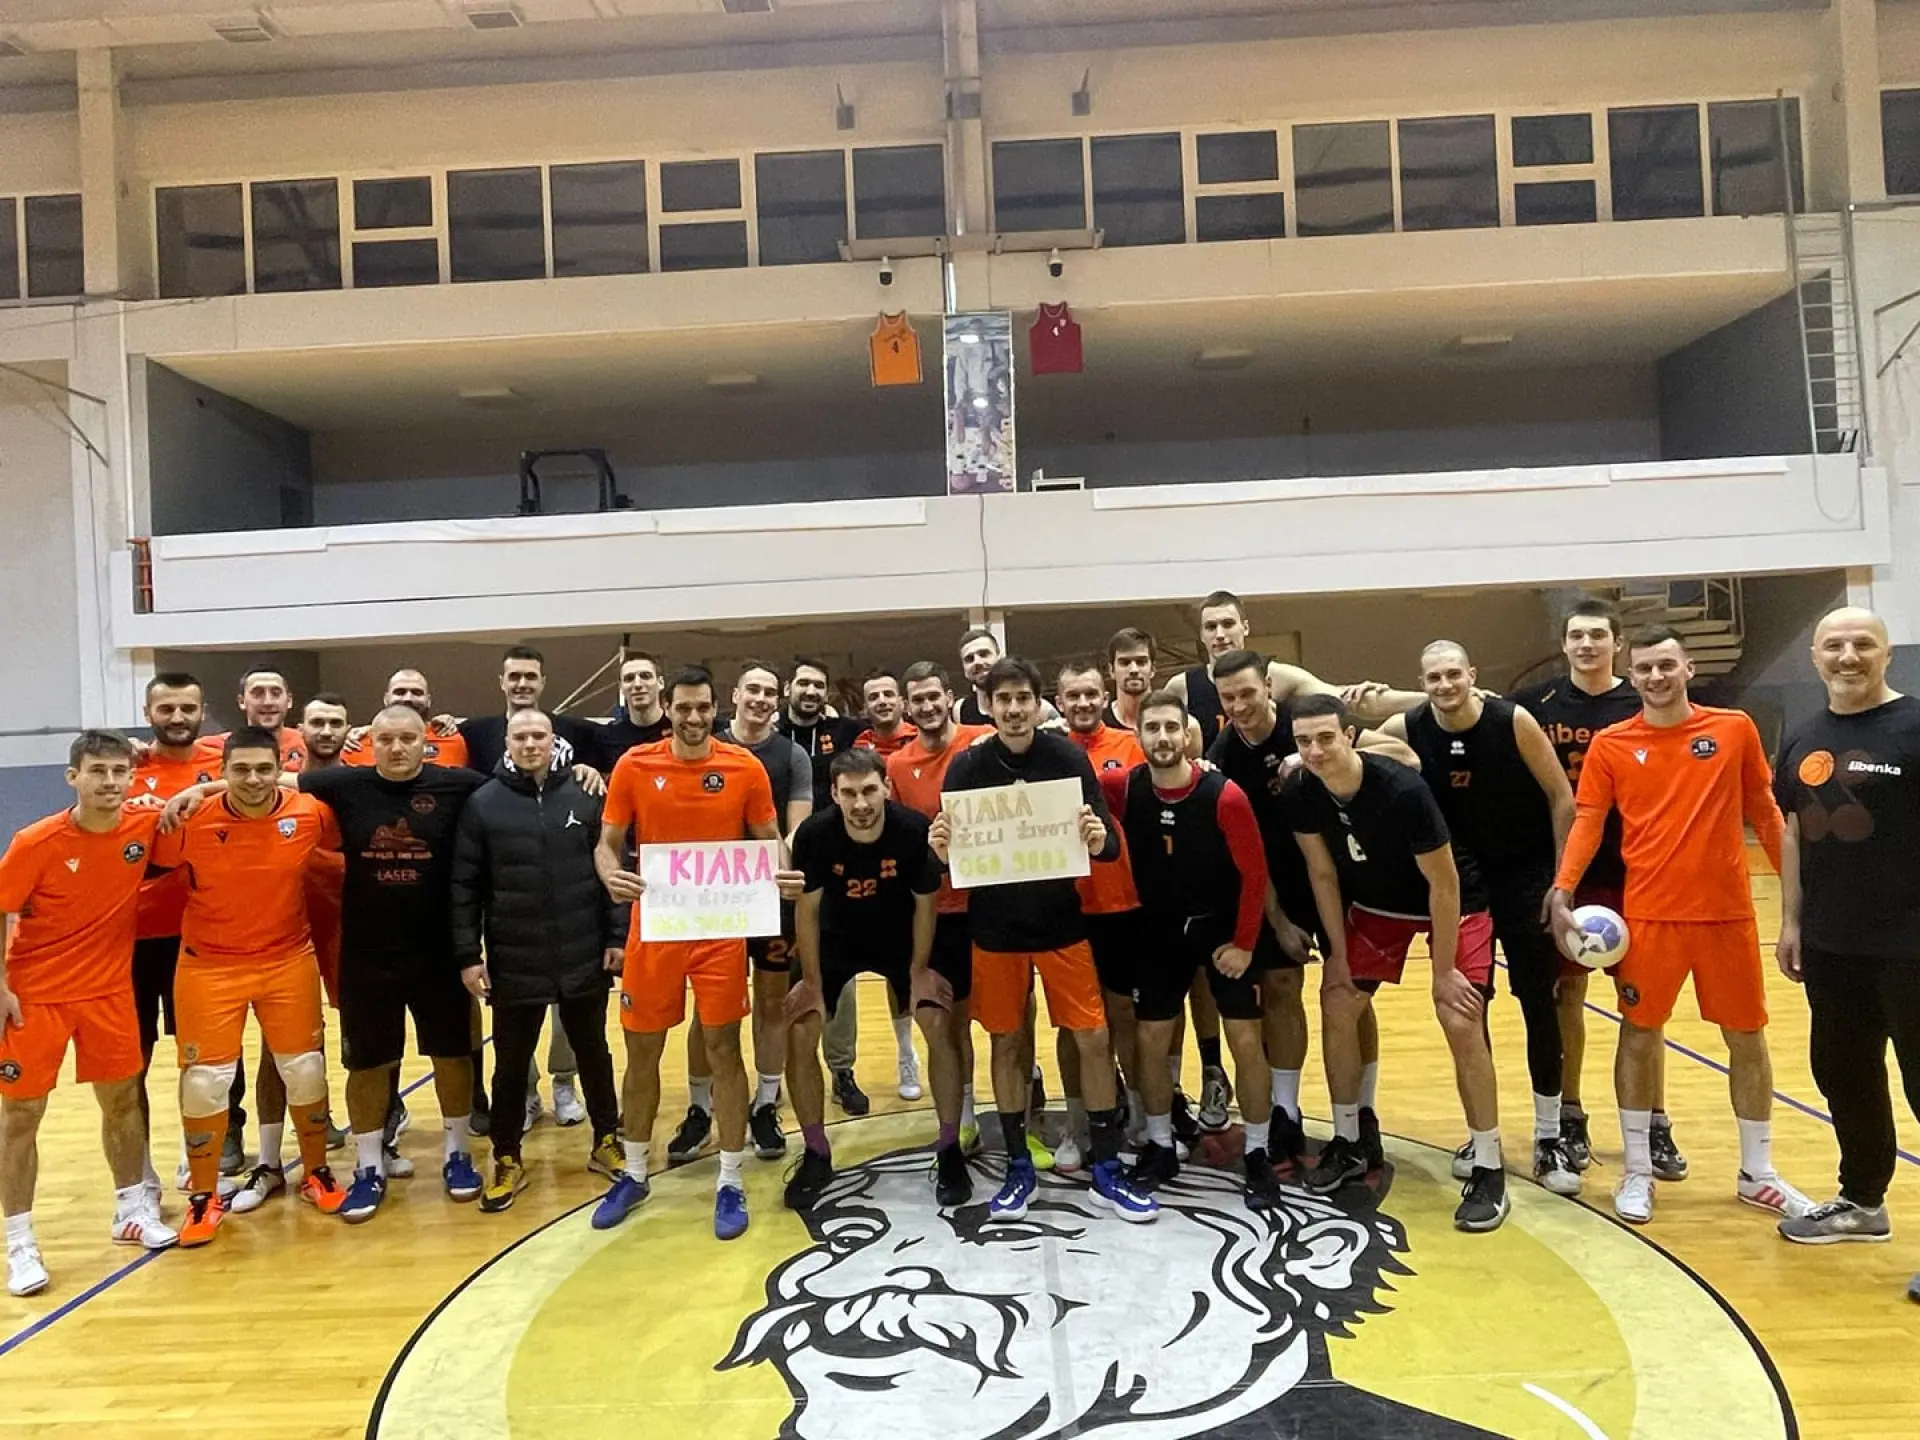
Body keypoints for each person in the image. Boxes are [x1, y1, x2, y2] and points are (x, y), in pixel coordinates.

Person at [1549, 626, 1811, 1226]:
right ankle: (1638, 1170)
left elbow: (1765, 812)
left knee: (1747, 1039)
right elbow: (1588, 819)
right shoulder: (1613, 744)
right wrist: (1563, 887)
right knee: (1639, 1035)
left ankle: (1758, 1173)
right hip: (1648, 919)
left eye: (1667, 665)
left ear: (1689, 668)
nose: (1656, 677)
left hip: (1728, 917)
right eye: (1645, 668)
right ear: (1631, 674)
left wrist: (1798, 899)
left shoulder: (1733, 729)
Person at [930, 656, 1158, 1224]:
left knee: (1093, 1037)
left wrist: (1099, 837)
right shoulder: (967, 766)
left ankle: (1106, 1168)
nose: (1013, 709)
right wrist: (940, 850)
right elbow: (944, 860)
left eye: (1023, 699)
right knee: (1007, 1043)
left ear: (1038, 704)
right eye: (1003, 699)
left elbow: (1106, 845)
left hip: (1061, 923)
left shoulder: (1065, 758)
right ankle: (1018, 1168)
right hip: (995, 930)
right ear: (987, 705)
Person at [1284, 694, 1509, 1233]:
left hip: (1452, 901)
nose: (1315, 751)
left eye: (1325, 738)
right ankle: (1349, 1140)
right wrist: (1338, 956)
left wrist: (1443, 972)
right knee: (1338, 1002)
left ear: (1350, 737)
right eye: (1304, 742)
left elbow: (1444, 883)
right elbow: (1322, 874)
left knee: (1460, 1016)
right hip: (1377, 905)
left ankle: (1488, 1165)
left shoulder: (1402, 789)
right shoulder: (1300, 790)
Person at [595, 665, 800, 1240]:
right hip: (654, 929)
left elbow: (768, 839)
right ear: (667, 707)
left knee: (723, 1049)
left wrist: (782, 872)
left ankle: (730, 1179)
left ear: (716, 708)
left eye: (702, 707)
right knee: (642, 1053)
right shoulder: (635, 765)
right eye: (682, 707)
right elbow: (607, 844)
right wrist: (609, 875)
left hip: (718, 931)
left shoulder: (744, 766)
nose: (692, 717)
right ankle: (635, 1173)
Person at [1378, 641, 1582, 1197]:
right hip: (1462, 886)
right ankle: (1482, 1134)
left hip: (1525, 878)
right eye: (1433, 678)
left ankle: (1549, 1135)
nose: (1445, 685)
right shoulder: (1409, 727)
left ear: (1472, 674)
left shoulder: (1512, 721)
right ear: (1421, 683)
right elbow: (1351, 738)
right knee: (1470, 1009)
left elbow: (1562, 799)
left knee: (1539, 1003)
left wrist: (1560, 883)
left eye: (1453, 674)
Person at [1205, 650, 1413, 1167]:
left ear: (1268, 685)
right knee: (1282, 987)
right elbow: (1246, 850)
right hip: (1281, 887)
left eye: (1248, 693)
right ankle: (1286, 1111)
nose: (1239, 706)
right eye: (1228, 698)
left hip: (1346, 879)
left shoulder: (1307, 730)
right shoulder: (1224, 754)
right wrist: (1277, 918)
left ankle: (1364, 1113)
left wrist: (1328, 757)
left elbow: (1407, 758)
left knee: (1351, 996)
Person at [150, 728, 348, 1246]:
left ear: (281, 768)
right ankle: (203, 1196)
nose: (253, 780)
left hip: (288, 960)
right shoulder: (188, 819)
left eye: (264, 769)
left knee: (304, 1070)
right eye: (240, 770)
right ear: (222, 772)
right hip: (208, 968)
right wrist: (188, 794)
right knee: (205, 1082)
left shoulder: (311, 814)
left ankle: (316, 1172)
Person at [1769, 607, 1919, 1292]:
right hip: (1833, 943)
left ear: (1887, 653)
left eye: (1863, 644)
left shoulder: (1913, 726)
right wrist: (1791, 921)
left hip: (1910, 944)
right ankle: (1862, 1202)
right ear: (1815, 656)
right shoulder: (1804, 735)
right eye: (1834, 645)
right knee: (1844, 1073)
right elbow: (1794, 833)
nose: (1848, 656)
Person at [1512, 597, 1686, 1177]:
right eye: (1577, 636)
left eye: (1597, 635)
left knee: (1645, 1004)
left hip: (1638, 870)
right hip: (1570, 871)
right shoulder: (1534, 705)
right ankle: (1570, 1114)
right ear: (1564, 644)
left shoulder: (1643, 702)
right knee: (1568, 995)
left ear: (1618, 644)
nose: (1586, 645)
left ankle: (1655, 1120)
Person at [1, 731, 177, 1296]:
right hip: (36, 996)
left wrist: (181, 794)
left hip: (108, 993)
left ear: (132, 777)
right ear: (72, 777)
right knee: (21, 1116)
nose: (109, 782)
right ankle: (19, 1242)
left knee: (122, 1101)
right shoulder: (36, 841)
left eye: (119, 772)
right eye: (97, 771)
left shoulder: (143, 826)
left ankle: (131, 1209)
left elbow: (197, 800)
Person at [1103, 692, 1287, 1210]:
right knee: (1150, 1040)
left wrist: (1245, 944)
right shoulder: (1122, 788)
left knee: (1245, 1041)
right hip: (1157, 933)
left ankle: (1257, 1152)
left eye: (1171, 728)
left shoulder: (1224, 795)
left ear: (1187, 735)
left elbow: (1254, 875)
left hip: (1221, 931)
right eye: (1152, 728)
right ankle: (1161, 1144)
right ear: (1139, 737)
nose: (1162, 737)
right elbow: (1064, 787)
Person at [451, 709, 625, 1212]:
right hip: (514, 958)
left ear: (554, 740)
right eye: (521, 737)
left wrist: (617, 935)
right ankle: (506, 1156)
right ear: (507, 742)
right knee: (510, 1065)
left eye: (539, 736)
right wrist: (468, 955)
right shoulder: (484, 802)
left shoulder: (586, 794)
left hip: (583, 950)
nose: (530, 744)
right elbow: (464, 886)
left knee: (594, 1052)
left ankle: (606, 1140)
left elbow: (612, 869)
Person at [782, 749, 945, 1210]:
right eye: (849, 793)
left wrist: (919, 972)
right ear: (834, 794)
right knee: (800, 1030)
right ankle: (816, 1152)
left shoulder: (912, 829)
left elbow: (926, 906)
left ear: (886, 788)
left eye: (869, 790)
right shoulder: (814, 834)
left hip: (897, 938)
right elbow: (807, 911)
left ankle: (951, 1145)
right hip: (835, 942)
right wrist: (811, 982)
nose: (860, 803)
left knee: (939, 1023)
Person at [668, 661, 812, 1168]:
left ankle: (766, 1104)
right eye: (753, 688)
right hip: (713, 900)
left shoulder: (791, 755)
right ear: (733, 695)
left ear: (779, 699)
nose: (760, 698)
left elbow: (793, 829)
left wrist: (779, 874)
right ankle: (700, 1108)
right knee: (709, 1011)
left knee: (772, 1003)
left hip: (767, 895)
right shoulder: (707, 747)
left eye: (770, 691)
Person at [885, 660, 994, 1171]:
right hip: (934, 914)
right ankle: (961, 1122)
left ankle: (1024, 1112)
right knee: (945, 1028)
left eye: (934, 696)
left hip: (988, 908)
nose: (927, 706)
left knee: (1006, 1024)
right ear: (907, 707)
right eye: (918, 699)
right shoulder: (897, 765)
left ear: (950, 697)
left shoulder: (982, 742)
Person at [128, 673, 217, 1199]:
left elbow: (285, 765)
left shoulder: (222, 763)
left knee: (199, 1060)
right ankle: (139, 1171)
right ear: (148, 713)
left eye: (187, 707)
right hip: (132, 942)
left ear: (203, 711)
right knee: (131, 1065)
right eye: (167, 709)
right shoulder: (126, 768)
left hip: (199, 939)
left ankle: (196, 1154)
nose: (178, 717)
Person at [1055, 658, 1146, 1171]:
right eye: (1074, 695)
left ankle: (1137, 1115)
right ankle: (1076, 1122)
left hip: (1121, 902)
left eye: (1091, 693)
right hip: (1065, 906)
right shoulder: (1048, 751)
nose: (1084, 702)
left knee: (1123, 1015)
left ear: (1104, 695)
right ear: (1060, 702)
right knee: (1072, 1024)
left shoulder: (1131, 745)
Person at [344, 670, 470, 769]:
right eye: (400, 692)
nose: (408, 698)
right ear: (386, 699)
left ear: (428, 700)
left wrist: (454, 720)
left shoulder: (449, 736)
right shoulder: (356, 742)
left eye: (417, 692)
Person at [853, 669, 919, 757]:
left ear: (903, 704)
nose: (882, 701)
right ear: (865, 709)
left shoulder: (922, 739)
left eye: (888, 694)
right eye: (874, 697)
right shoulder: (861, 748)